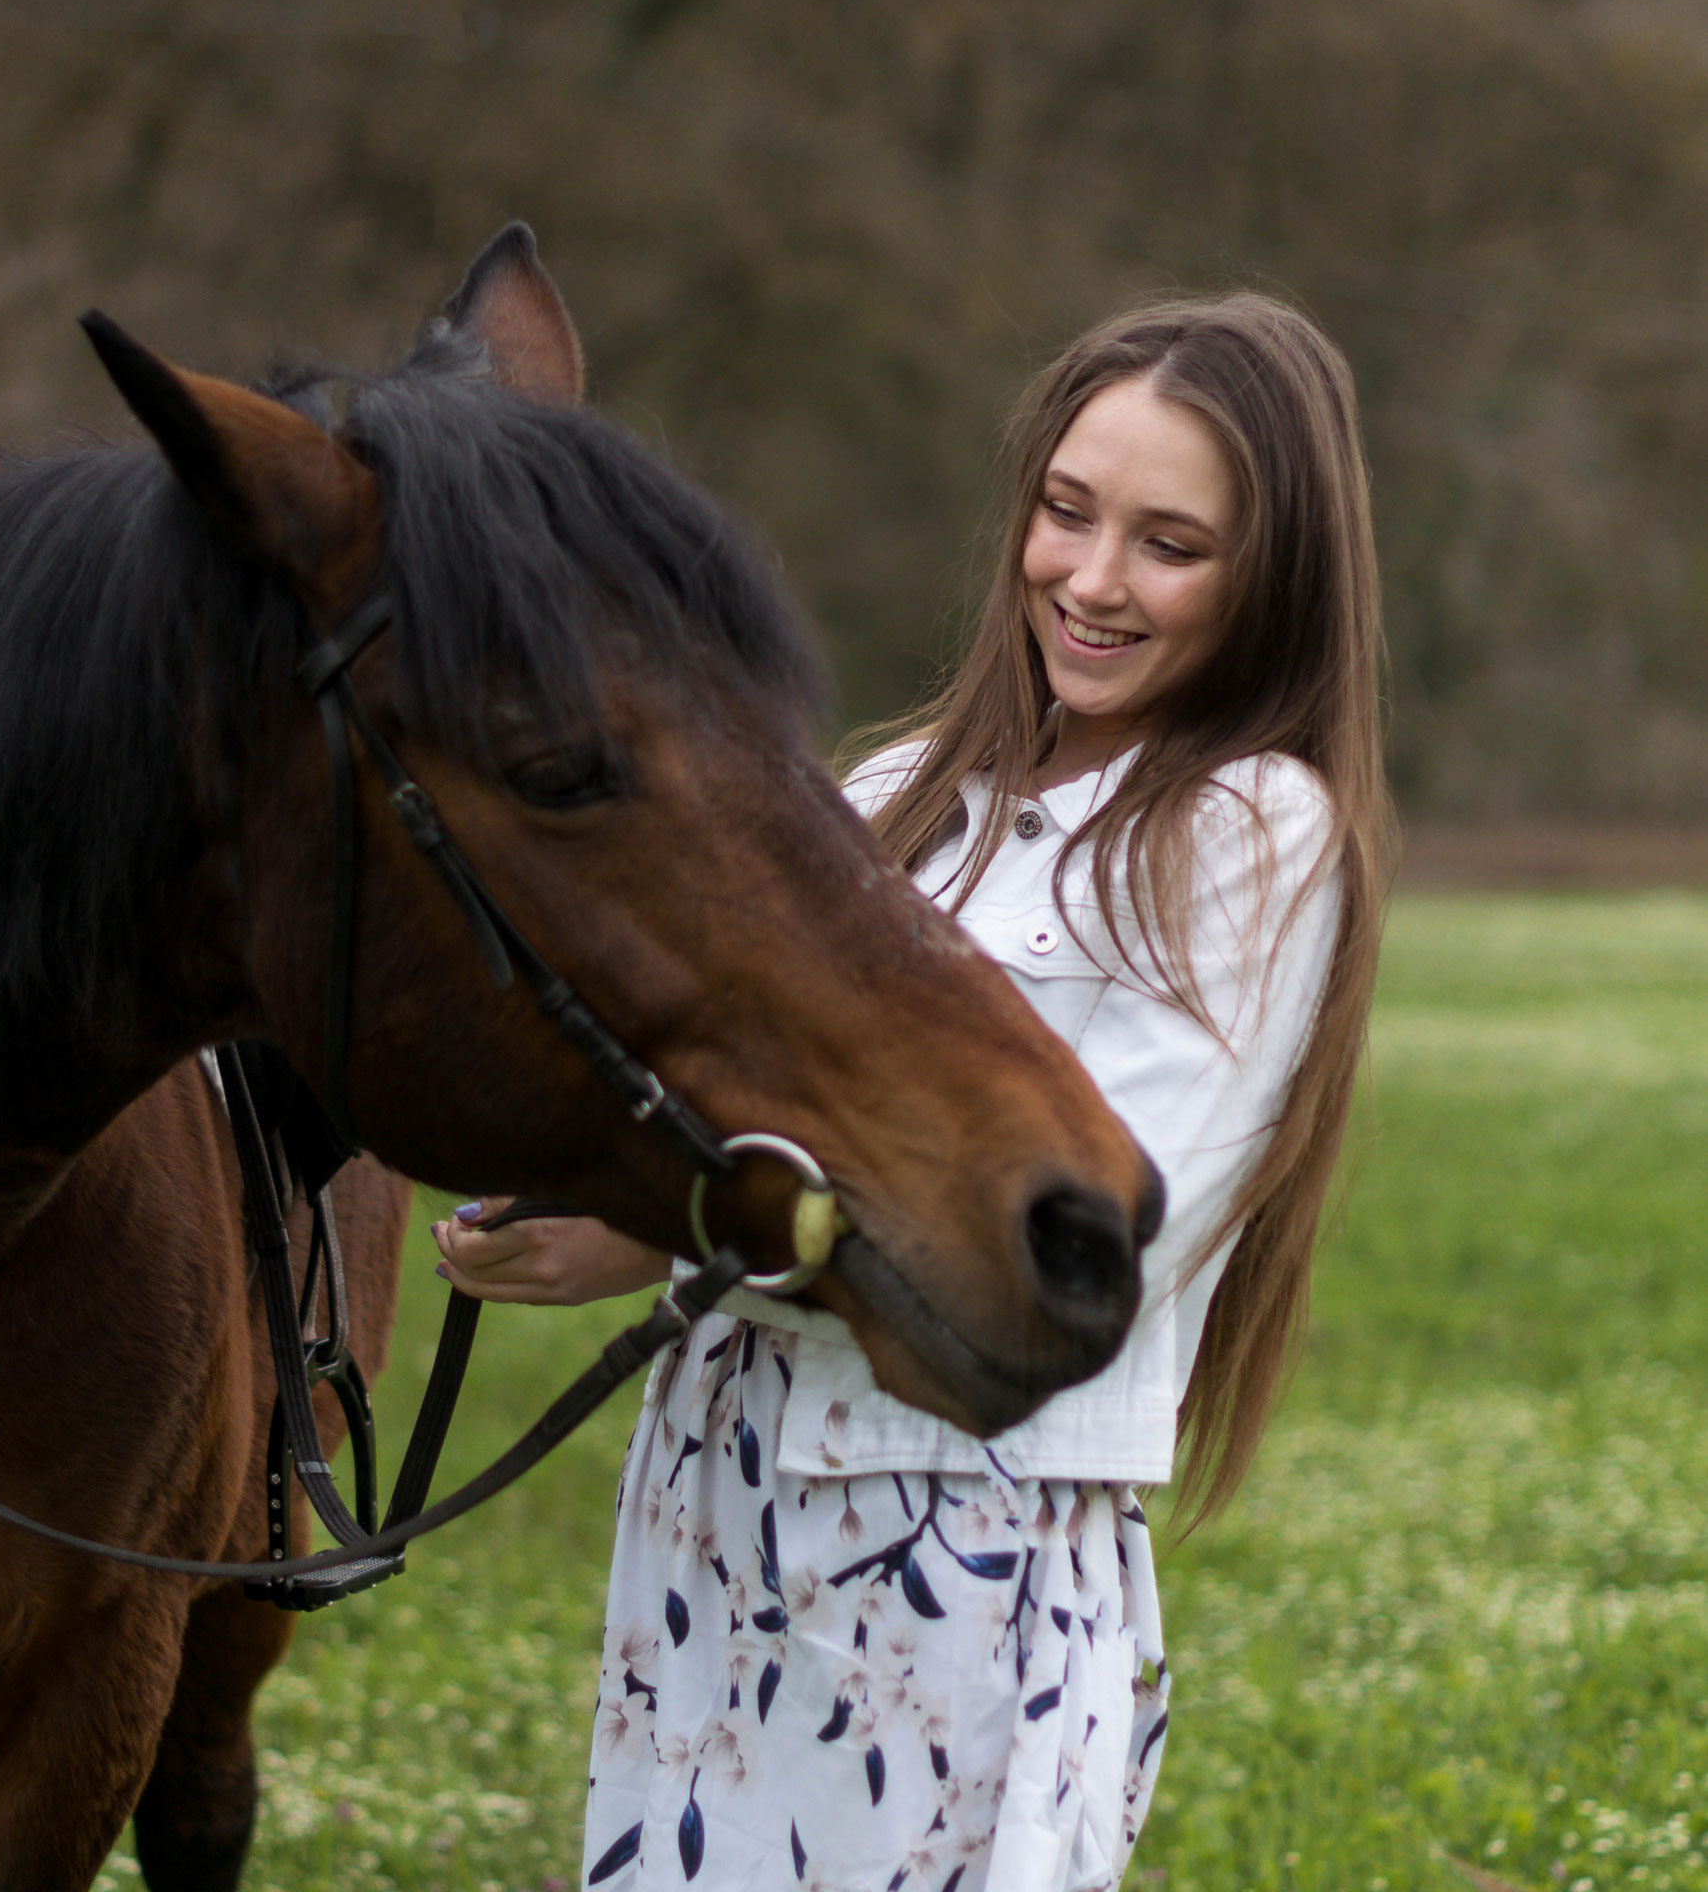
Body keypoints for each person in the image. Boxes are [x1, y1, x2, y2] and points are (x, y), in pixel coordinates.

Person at [433, 294, 1392, 1892]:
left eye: (1168, 544)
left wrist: (663, 1235)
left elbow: (1090, 1239)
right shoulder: (891, 795)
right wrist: (573, 1171)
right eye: (1067, 512)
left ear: (1272, 577)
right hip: (722, 1489)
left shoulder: (1250, 833)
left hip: (965, 1535)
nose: (1090, 580)